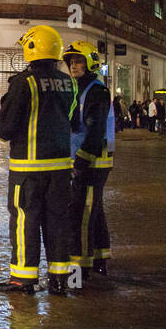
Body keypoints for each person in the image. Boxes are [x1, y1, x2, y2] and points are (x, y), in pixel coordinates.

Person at [0, 25, 78, 296]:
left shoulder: (23, 83)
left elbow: (5, 130)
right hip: (61, 169)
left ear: (31, 49)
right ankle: (59, 279)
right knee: (57, 222)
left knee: (24, 221)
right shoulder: (69, 83)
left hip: (28, 169)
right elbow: (73, 123)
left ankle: (23, 279)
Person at [64, 40, 115, 280]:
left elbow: (95, 132)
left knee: (82, 211)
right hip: (84, 158)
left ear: (90, 63)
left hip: (93, 161)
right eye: (71, 61)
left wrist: (81, 162)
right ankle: (100, 257)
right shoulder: (78, 88)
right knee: (95, 209)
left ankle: (80, 267)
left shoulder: (97, 90)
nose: (74, 66)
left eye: (78, 61)